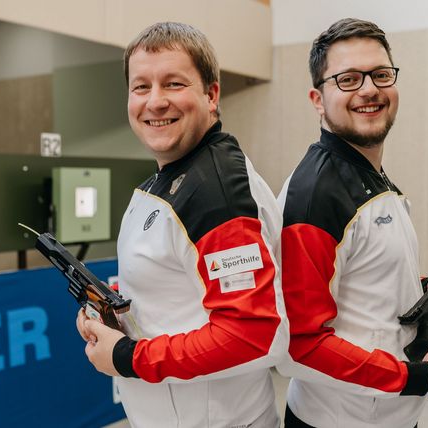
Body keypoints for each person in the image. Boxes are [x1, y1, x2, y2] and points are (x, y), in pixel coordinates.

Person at [277, 18, 428, 427]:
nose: (368, 89)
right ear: (317, 98)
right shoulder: (315, 195)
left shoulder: (371, 176)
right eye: (347, 79)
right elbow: (299, 344)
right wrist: (419, 376)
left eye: (380, 74)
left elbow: (362, 293)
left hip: (390, 414)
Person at [76, 22, 288, 428]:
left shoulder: (215, 193)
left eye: (173, 84)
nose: (154, 102)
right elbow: (176, 290)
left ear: (211, 95)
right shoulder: (170, 180)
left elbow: (253, 336)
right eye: (141, 87)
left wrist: (126, 357)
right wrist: (108, 310)